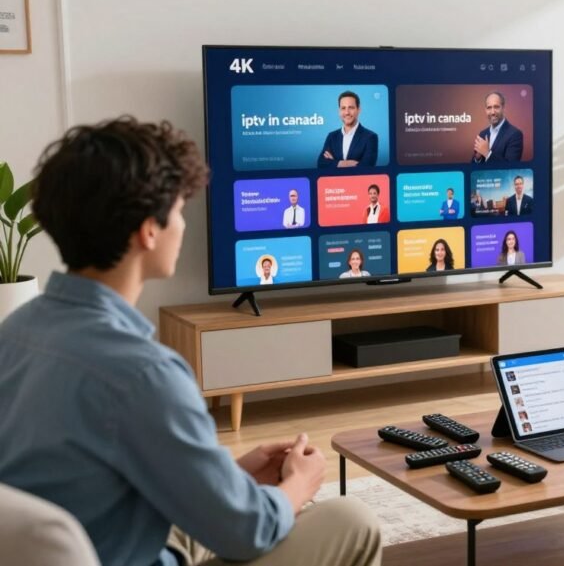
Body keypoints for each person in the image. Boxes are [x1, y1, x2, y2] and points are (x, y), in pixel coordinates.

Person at [0, 117, 382, 566]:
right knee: (352, 520)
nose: (183, 224)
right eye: (180, 210)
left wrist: (227, 476)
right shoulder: (145, 374)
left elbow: (91, 475)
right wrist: (299, 484)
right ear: (148, 230)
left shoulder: (16, 331)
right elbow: (248, 533)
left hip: (85, 543)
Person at [317, 91, 379, 169]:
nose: (347, 112)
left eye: (351, 108)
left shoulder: (370, 137)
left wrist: (333, 163)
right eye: (343, 108)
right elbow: (321, 163)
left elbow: (367, 167)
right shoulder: (332, 136)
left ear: (358, 109)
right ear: (339, 111)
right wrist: (344, 163)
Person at [472, 91, 524, 163]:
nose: (492, 112)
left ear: (503, 108)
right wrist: (477, 158)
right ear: (485, 110)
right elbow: (472, 167)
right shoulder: (482, 134)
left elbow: (511, 168)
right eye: (489, 108)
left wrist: (487, 154)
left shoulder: (515, 134)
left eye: (496, 107)